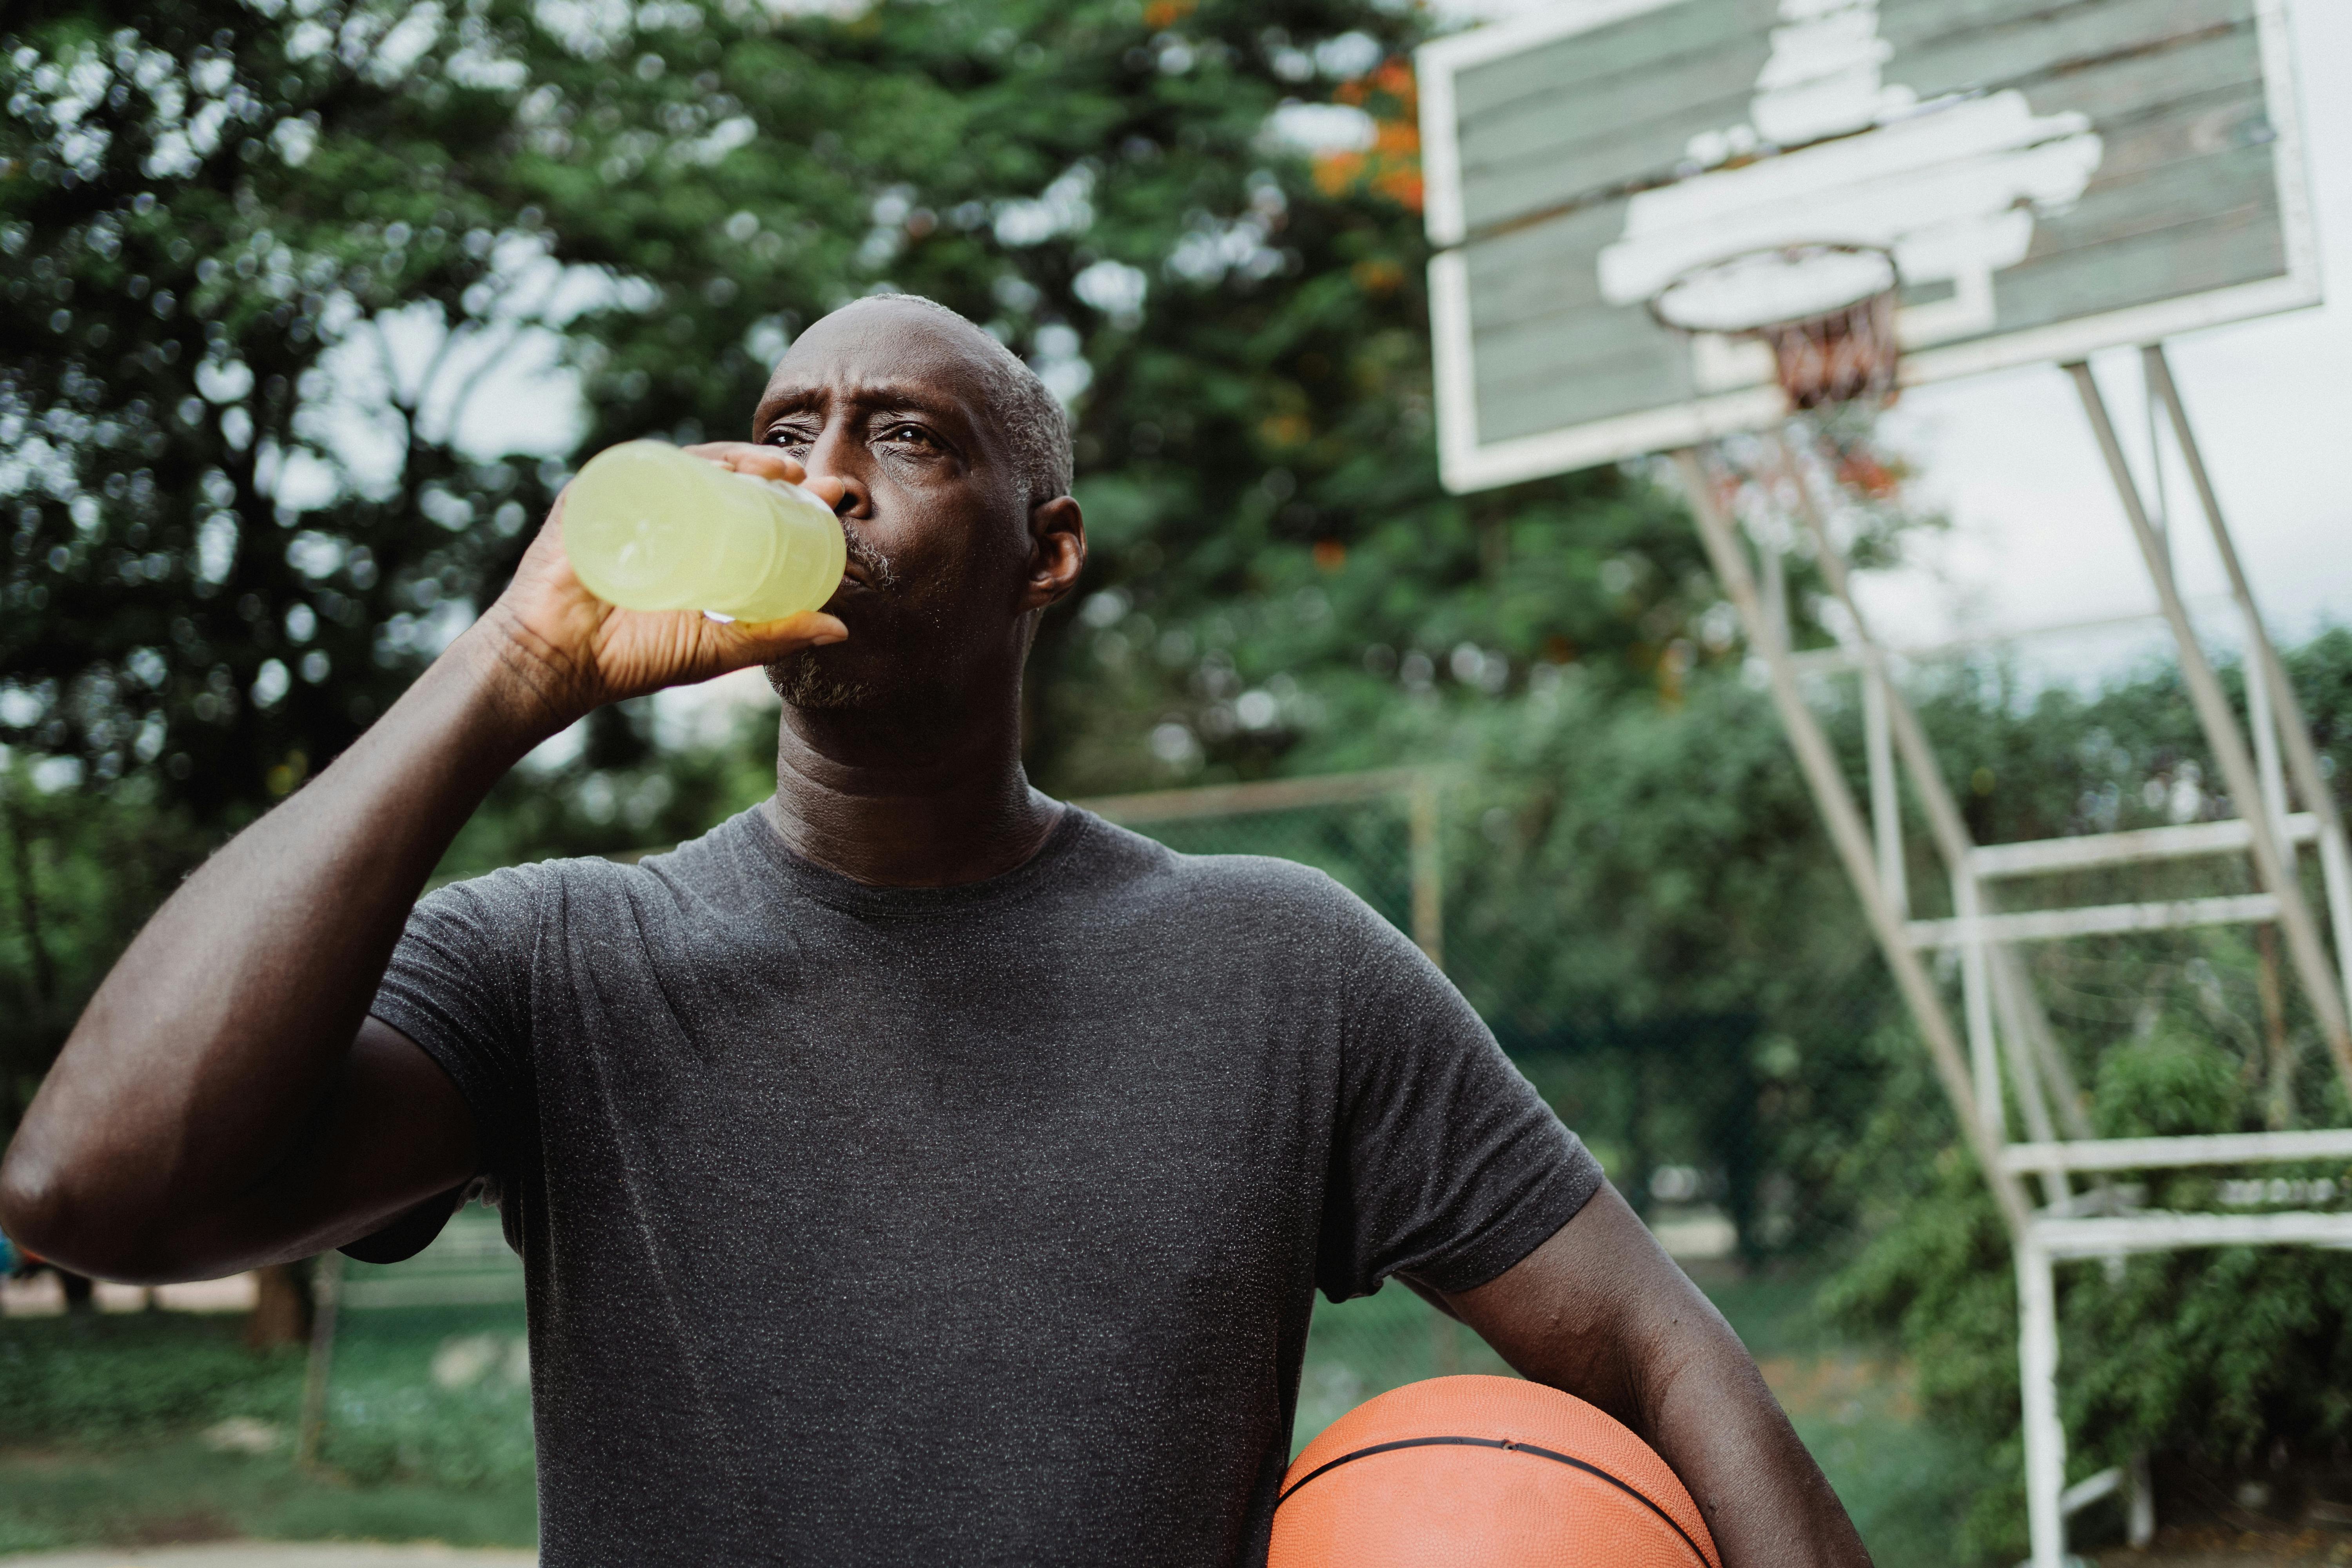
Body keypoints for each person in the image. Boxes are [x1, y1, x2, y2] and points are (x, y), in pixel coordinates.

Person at [1, 296, 1870, 1567]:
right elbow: (96, 1190)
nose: (826, 478)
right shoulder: (557, 963)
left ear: (1047, 546)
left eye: (906, 437)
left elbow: (1656, 1347)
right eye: (785, 436)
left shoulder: (1285, 967)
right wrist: (505, 670)